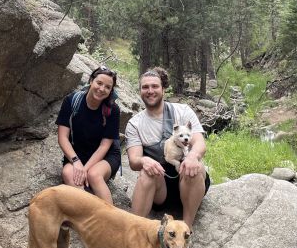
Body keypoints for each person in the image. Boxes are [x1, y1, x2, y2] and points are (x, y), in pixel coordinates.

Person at [125, 67, 209, 228]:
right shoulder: (134, 124)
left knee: (196, 167)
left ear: (163, 89)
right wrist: (144, 161)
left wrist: (193, 156)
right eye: (145, 87)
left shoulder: (183, 111)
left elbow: (200, 143)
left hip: (189, 180)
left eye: (155, 86)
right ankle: (133, 232)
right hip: (160, 190)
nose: (150, 91)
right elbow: (134, 160)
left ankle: (186, 229)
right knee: (146, 173)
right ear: (140, 91)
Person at [56, 66, 121, 203]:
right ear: (91, 81)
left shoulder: (112, 110)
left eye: (108, 87)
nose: (102, 89)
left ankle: (111, 219)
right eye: (99, 83)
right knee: (68, 173)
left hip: (106, 156)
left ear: (110, 91)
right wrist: (76, 162)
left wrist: (84, 169)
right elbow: (62, 137)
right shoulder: (72, 101)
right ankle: (89, 213)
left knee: (94, 175)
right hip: (78, 153)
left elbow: (104, 146)